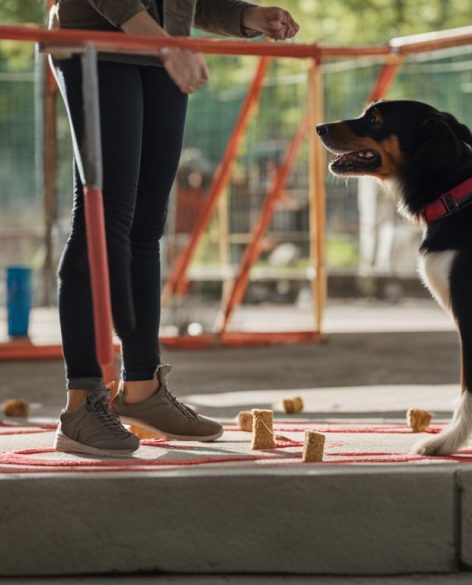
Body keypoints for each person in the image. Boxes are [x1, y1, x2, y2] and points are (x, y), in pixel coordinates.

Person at [49, 0, 299, 456]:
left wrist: (246, 16)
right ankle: (81, 404)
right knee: (102, 225)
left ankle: (142, 388)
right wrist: (165, 44)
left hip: (163, 54)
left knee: (146, 229)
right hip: (100, 45)